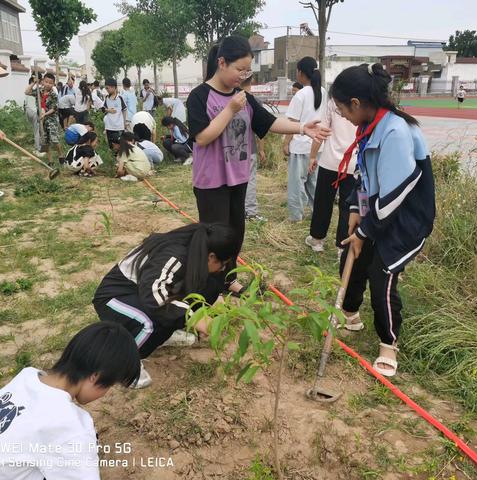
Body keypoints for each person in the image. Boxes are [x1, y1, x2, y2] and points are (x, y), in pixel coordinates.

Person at [186, 36, 330, 295]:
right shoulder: (200, 96)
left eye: (247, 70)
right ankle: (210, 289)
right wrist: (229, 109)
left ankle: (229, 280)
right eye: (239, 69)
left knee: (235, 236)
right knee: (214, 240)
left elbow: (268, 122)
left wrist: (301, 128)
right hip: (212, 182)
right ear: (221, 63)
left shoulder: (244, 98)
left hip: (238, 178)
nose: (243, 75)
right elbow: (202, 137)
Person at [331, 63, 435, 377]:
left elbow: (395, 196)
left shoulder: (396, 132)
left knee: (382, 273)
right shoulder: (368, 128)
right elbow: (364, 178)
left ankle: (388, 344)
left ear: (355, 104)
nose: (343, 117)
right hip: (378, 210)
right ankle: (350, 312)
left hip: (405, 220)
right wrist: (354, 210)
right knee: (351, 252)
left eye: (341, 110)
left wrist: (365, 229)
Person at [93, 223, 236, 388]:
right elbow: (153, 297)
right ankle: (123, 364)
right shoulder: (175, 255)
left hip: (142, 292)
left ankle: (159, 336)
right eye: (223, 264)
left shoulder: (196, 251)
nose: (223, 269)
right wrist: (194, 318)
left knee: (209, 287)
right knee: (150, 322)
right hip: (114, 297)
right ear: (211, 257)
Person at [0, 322, 140, 479]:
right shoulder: (72, 426)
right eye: (110, 386)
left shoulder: (27, 376)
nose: (105, 393)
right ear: (96, 376)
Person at [305, 98, 357, 256]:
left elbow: (322, 131)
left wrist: (313, 156)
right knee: (348, 206)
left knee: (323, 202)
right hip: (354, 164)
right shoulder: (364, 103)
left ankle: (317, 239)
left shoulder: (334, 102)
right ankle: (342, 246)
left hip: (330, 162)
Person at [283, 56, 328, 222]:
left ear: (301, 73)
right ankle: (318, 212)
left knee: (297, 183)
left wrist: (286, 143)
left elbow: (293, 123)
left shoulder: (300, 94)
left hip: (300, 145)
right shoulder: (323, 92)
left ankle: (296, 216)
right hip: (317, 146)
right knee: (313, 183)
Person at [241, 75, 266, 221]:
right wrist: (261, 149)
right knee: (250, 180)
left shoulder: (231, 99)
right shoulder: (255, 102)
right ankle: (250, 212)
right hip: (249, 148)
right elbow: (261, 131)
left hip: (232, 151)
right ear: (252, 82)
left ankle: (239, 211)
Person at [25, 72, 64, 166]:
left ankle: (61, 156)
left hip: (51, 120)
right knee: (45, 141)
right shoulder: (39, 91)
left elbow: (54, 108)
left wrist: (45, 114)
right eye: (46, 82)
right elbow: (27, 92)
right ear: (43, 81)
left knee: (54, 139)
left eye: (50, 83)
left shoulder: (53, 95)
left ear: (53, 84)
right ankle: (50, 161)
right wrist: (34, 83)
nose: (48, 84)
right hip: (42, 120)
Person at [102, 78, 127, 155]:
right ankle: (113, 160)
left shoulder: (120, 98)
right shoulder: (106, 98)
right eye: (106, 88)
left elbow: (124, 110)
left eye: (107, 88)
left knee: (120, 145)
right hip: (109, 126)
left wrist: (124, 123)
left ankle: (121, 159)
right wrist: (108, 110)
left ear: (114, 87)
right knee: (111, 145)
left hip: (119, 126)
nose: (107, 90)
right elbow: (103, 109)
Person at [24, 75, 44, 157]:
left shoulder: (33, 88)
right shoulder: (37, 89)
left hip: (29, 111)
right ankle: (38, 149)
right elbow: (27, 92)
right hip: (34, 111)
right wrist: (35, 82)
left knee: (37, 130)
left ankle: (38, 146)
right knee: (37, 131)